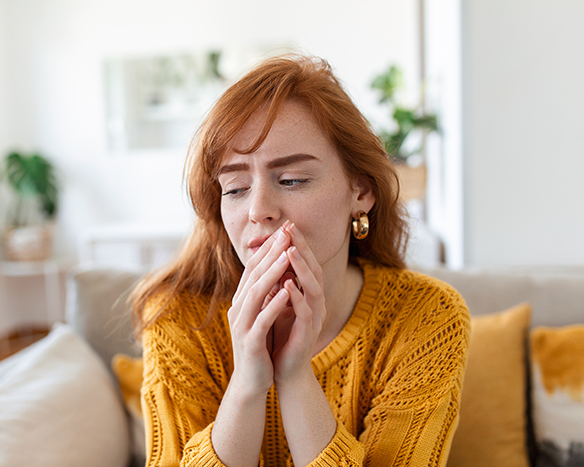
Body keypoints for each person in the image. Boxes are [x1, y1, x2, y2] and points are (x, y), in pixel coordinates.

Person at [130, 54, 470, 467]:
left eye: (291, 180)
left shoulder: (428, 318)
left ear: (360, 191)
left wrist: (294, 378)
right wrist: (248, 387)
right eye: (235, 187)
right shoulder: (177, 316)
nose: (258, 210)